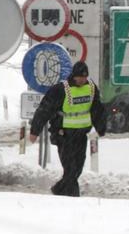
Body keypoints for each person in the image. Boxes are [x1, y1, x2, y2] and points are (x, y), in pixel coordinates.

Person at [27, 60, 107, 197]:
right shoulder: (61, 89)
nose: (82, 80)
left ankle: (58, 190)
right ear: (73, 75)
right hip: (64, 136)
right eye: (79, 77)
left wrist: (101, 127)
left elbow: (97, 109)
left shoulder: (91, 88)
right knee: (70, 170)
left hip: (81, 135)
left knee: (77, 170)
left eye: (84, 77)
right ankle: (73, 199)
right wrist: (35, 130)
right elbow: (44, 110)